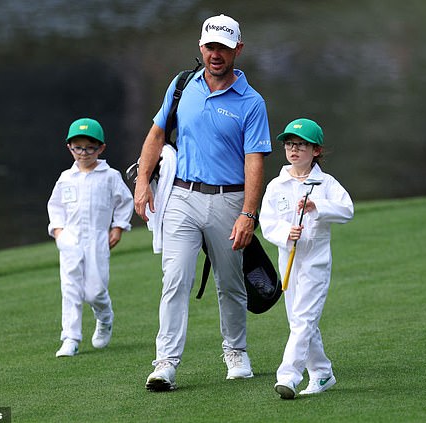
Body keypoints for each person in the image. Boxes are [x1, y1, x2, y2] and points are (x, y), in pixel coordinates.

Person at [133, 14, 272, 391]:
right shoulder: (182, 85)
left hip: (229, 201)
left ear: (237, 50)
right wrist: (143, 181)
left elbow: (254, 160)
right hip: (181, 196)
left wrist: (249, 213)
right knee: (175, 278)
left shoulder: (251, 102)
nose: (216, 54)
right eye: (210, 46)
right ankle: (165, 363)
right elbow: (158, 132)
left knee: (230, 283)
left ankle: (236, 351)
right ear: (200, 47)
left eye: (224, 48)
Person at [259, 118, 354, 399]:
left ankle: (288, 376)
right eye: (290, 144)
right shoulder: (277, 186)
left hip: (315, 262)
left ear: (316, 150)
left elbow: (347, 210)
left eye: (301, 145)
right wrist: (287, 232)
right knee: (300, 322)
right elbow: (267, 222)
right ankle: (323, 373)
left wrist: (317, 207)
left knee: (303, 319)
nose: (294, 150)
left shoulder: (326, 183)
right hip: (287, 260)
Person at [47, 117, 133, 357]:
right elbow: (55, 207)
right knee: (71, 289)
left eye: (89, 147)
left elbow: (124, 201)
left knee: (94, 291)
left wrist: (118, 227)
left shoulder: (110, 176)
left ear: (100, 148)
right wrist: (58, 231)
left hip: (97, 240)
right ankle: (70, 338)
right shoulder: (66, 178)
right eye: (78, 147)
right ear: (69, 148)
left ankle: (105, 318)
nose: (83, 153)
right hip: (70, 240)